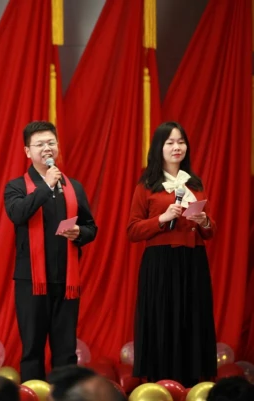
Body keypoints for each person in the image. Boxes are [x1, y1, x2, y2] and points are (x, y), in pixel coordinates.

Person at [4, 121, 97, 382]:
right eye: (40, 144)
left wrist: (79, 233)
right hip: (31, 280)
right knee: (32, 349)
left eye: (51, 143)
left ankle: (65, 394)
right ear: (27, 151)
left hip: (67, 279)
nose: (47, 148)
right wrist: (45, 185)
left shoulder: (73, 187)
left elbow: (91, 226)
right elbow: (18, 214)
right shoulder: (16, 187)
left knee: (66, 350)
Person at [127, 121, 217, 387]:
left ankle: (191, 381)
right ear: (159, 147)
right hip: (160, 263)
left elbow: (210, 232)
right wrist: (162, 218)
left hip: (193, 261)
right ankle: (161, 382)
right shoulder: (147, 185)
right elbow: (132, 230)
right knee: (162, 320)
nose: (177, 147)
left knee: (193, 319)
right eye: (170, 142)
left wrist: (204, 221)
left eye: (181, 142)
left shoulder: (194, 184)